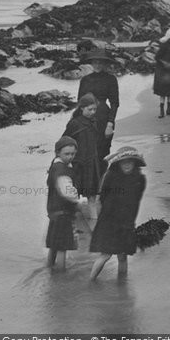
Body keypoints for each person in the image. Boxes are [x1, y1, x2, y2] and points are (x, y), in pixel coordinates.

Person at [89, 146, 146, 280]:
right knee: (105, 255)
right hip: (109, 221)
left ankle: (122, 285)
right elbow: (101, 199)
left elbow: (136, 201)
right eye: (123, 162)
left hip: (127, 222)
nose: (127, 165)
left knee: (123, 256)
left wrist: (131, 221)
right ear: (118, 163)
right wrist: (100, 219)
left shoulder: (140, 179)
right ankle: (90, 282)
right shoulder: (110, 176)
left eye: (130, 162)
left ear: (135, 163)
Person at [78, 49, 119, 175]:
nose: (97, 65)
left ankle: (101, 183)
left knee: (103, 152)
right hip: (87, 119)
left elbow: (114, 103)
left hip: (103, 118)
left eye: (100, 62)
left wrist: (110, 123)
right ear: (91, 63)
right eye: (95, 62)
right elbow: (80, 102)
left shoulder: (111, 79)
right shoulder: (85, 80)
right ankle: (91, 186)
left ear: (105, 64)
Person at [46, 136, 81, 270]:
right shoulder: (62, 170)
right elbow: (67, 191)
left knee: (54, 245)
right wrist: (79, 201)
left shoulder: (55, 166)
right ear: (58, 153)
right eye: (67, 154)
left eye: (73, 154)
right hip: (64, 213)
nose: (70, 157)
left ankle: (49, 268)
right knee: (62, 247)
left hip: (54, 211)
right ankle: (61, 276)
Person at [64, 93, 100, 219]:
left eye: (94, 109)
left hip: (92, 162)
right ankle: (70, 223)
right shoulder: (74, 124)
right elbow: (64, 142)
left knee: (92, 197)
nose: (93, 112)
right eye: (90, 109)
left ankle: (94, 222)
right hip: (78, 165)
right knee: (73, 196)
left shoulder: (94, 122)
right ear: (81, 108)